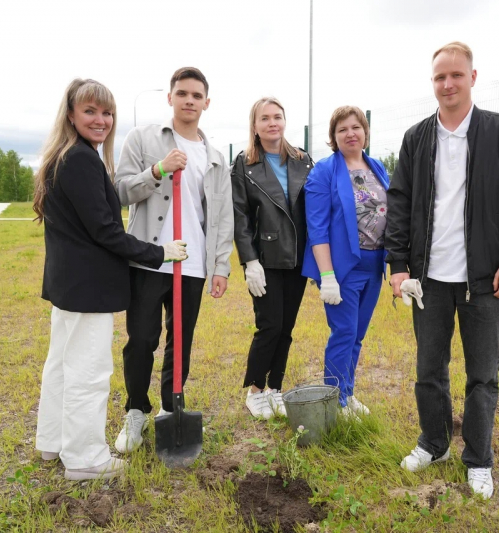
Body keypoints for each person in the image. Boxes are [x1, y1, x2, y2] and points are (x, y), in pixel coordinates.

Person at [386, 42, 499, 498]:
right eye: (439, 77)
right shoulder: (416, 139)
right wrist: (398, 266)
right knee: (428, 368)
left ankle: (478, 458)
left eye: (456, 75)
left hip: (483, 281)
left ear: (473, 77)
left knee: (483, 374)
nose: (448, 84)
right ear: (432, 82)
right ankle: (434, 444)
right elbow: (398, 205)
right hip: (428, 280)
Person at [33, 78, 187, 480]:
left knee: (62, 366)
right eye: (90, 111)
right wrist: (159, 252)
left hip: (69, 285)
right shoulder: (82, 159)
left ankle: (52, 443)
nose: (101, 120)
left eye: (107, 113)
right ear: (70, 114)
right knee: (88, 372)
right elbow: (106, 231)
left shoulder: (65, 155)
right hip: (89, 288)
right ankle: (85, 459)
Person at [113, 67, 233, 453]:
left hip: (193, 265)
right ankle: (135, 410)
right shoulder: (144, 138)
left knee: (180, 342)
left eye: (197, 96)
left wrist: (220, 266)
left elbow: (222, 215)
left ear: (206, 103)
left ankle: (171, 408)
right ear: (170, 98)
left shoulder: (214, 157)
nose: (189, 101)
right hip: (149, 258)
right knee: (142, 340)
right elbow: (119, 191)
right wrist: (157, 170)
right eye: (182, 93)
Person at [303, 106, 389, 419]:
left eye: (356, 127)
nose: (350, 133)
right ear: (333, 137)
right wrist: (327, 276)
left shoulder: (377, 166)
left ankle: (347, 394)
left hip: (374, 265)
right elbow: (317, 227)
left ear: (365, 132)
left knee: (357, 335)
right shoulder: (325, 171)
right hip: (343, 269)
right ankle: (335, 403)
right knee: (343, 333)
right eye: (342, 129)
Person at [232, 97, 313, 419]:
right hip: (265, 259)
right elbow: (240, 217)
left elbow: (315, 210)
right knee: (269, 325)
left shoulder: (303, 161)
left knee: (287, 327)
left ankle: (275, 389)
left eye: (277, 117)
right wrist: (249, 261)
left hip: (298, 258)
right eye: (264, 118)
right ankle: (255, 391)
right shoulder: (244, 164)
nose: (272, 123)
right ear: (255, 126)